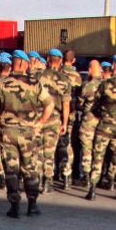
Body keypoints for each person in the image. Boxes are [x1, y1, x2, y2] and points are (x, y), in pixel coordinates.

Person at [0, 50, 54, 218]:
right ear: (23, 63)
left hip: (8, 133)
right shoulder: (35, 83)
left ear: (14, 63)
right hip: (28, 133)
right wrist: (40, 123)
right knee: (30, 168)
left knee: (11, 170)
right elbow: (49, 104)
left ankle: (14, 206)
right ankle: (32, 204)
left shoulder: (0, 83)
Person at [85, 55, 116, 200]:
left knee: (98, 157)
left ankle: (92, 190)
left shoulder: (105, 84)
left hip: (104, 125)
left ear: (114, 66)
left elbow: (97, 103)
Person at [36, 49, 71, 194]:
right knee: (49, 152)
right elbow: (66, 104)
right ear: (60, 61)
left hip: (38, 118)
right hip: (54, 118)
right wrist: (65, 123)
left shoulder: (38, 76)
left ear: (48, 60)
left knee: (38, 151)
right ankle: (47, 182)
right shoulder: (64, 80)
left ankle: (37, 180)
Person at [59, 49, 82, 189]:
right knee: (68, 146)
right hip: (71, 115)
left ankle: (51, 176)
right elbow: (79, 98)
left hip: (56, 114)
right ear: (73, 60)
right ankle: (67, 177)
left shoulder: (59, 75)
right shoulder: (77, 77)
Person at [78, 60, 104, 187]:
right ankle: (97, 176)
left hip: (89, 119)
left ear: (89, 70)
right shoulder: (106, 84)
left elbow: (80, 102)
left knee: (87, 148)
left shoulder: (88, 85)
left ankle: (87, 176)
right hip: (102, 120)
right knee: (98, 149)